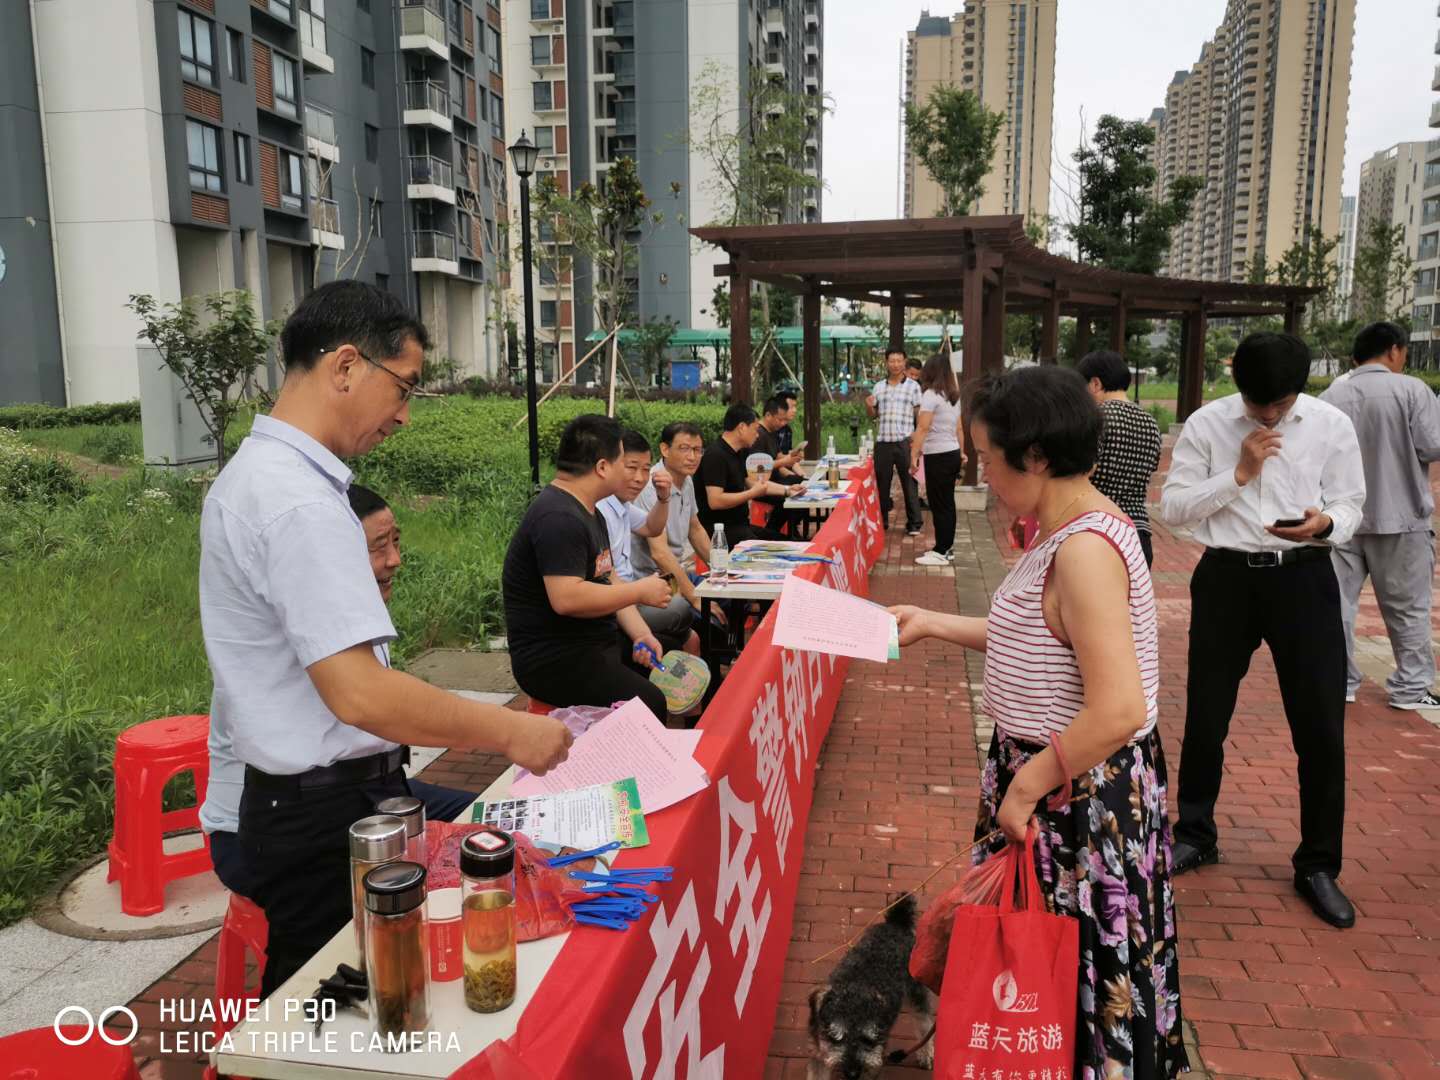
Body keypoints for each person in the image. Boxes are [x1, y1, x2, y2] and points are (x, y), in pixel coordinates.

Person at [199, 281, 571, 997]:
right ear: (345, 366)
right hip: (317, 813)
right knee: (328, 1008)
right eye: (402, 388)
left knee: (354, 992)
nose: (403, 414)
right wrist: (509, 732)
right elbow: (360, 694)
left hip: (321, 800)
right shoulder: (297, 501)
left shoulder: (269, 479)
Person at [890, 365, 1186, 1079]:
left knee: (1057, 964)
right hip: (1057, 777)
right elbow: (1040, 636)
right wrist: (932, 621)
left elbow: (1119, 707)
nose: (981, 473)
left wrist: (1027, 786)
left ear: (1037, 457)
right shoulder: (1065, 528)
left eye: (988, 459)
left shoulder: (1084, 549)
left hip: (1073, 792)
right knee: (1041, 961)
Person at [1158, 331, 1365, 929]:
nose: (1268, 415)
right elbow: (1174, 508)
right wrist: (1239, 474)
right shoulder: (1208, 424)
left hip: (1304, 578)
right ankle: (1195, 833)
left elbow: (1352, 503)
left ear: (1299, 390)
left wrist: (1326, 523)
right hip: (1226, 578)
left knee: (1320, 723)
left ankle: (1318, 864)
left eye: (1280, 404)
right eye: (1257, 404)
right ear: (1238, 385)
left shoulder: (1330, 424)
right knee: (1207, 713)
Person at [502, 414, 671, 720]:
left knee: (668, 652)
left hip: (591, 642)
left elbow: (609, 579)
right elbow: (567, 598)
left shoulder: (591, 512)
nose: (633, 474)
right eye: (624, 463)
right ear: (603, 467)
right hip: (554, 659)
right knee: (650, 704)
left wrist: (640, 634)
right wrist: (640, 591)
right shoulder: (558, 517)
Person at [1322, 322, 1440, 709]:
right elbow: (1433, 445)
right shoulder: (1412, 390)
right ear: (1394, 350)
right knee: (1408, 608)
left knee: (1337, 605)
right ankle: (1410, 688)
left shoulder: (1331, 395)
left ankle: (1340, 680)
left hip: (1340, 519)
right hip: (1401, 517)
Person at [596, 430, 699, 657]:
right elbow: (609, 579)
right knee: (682, 609)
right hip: (618, 603)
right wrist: (640, 592)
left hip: (631, 593)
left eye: (645, 469)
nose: (640, 478)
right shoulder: (599, 509)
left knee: (691, 609)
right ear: (607, 466)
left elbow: (652, 527)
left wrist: (663, 497)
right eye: (631, 468)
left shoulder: (622, 504)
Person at [1076, 350, 1163, 566]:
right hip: (1138, 533)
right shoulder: (1151, 423)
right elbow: (1151, 468)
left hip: (1097, 528)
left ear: (1095, 383)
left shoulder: (1096, 419)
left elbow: (1082, 471)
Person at [631, 422, 717, 618]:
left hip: (677, 573)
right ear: (665, 449)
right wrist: (695, 598)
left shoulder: (686, 480)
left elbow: (695, 529)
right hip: (654, 579)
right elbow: (660, 554)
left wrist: (722, 571)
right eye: (684, 448)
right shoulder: (651, 486)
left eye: (697, 450)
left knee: (727, 596)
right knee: (703, 615)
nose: (693, 457)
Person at [695, 403, 804, 545]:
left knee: (788, 543)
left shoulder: (740, 452)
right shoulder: (716, 455)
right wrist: (751, 494)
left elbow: (753, 483)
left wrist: (788, 490)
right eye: (755, 429)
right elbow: (715, 501)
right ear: (742, 427)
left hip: (741, 525)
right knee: (779, 549)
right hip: (721, 531)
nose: (757, 435)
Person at [910, 354, 966, 566]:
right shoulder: (953, 396)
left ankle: (941, 550)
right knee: (947, 502)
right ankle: (946, 548)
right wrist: (961, 453)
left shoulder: (931, 395)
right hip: (951, 452)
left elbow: (923, 428)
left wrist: (913, 455)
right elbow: (959, 428)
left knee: (939, 503)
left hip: (938, 455)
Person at [866, 348, 923, 535]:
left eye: (899, 361)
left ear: (904, 362)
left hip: (904, 442)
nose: (896, 364)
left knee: (909, 483)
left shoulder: (913, 387)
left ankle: (914, 523)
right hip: (883, 441)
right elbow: (873, 415)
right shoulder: (878, 387)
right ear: (886, 362)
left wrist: (917, 438)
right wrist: (869, 407)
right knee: (882, 484)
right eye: (892, 361)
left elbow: (919, 414)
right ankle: (881, 521)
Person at [752, 393, 808, 534]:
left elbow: (779, 457)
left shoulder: (771, 433)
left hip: (774, 480)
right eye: (780, 419)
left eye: (784, 420)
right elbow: (757, 468)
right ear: (768, 415)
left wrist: (792, 458)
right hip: (762, 484)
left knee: (801, 484)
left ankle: (791, 529)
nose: (783, 423)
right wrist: (786, 461)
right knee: (791, 495)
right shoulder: (758, 435)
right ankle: (773, 530)